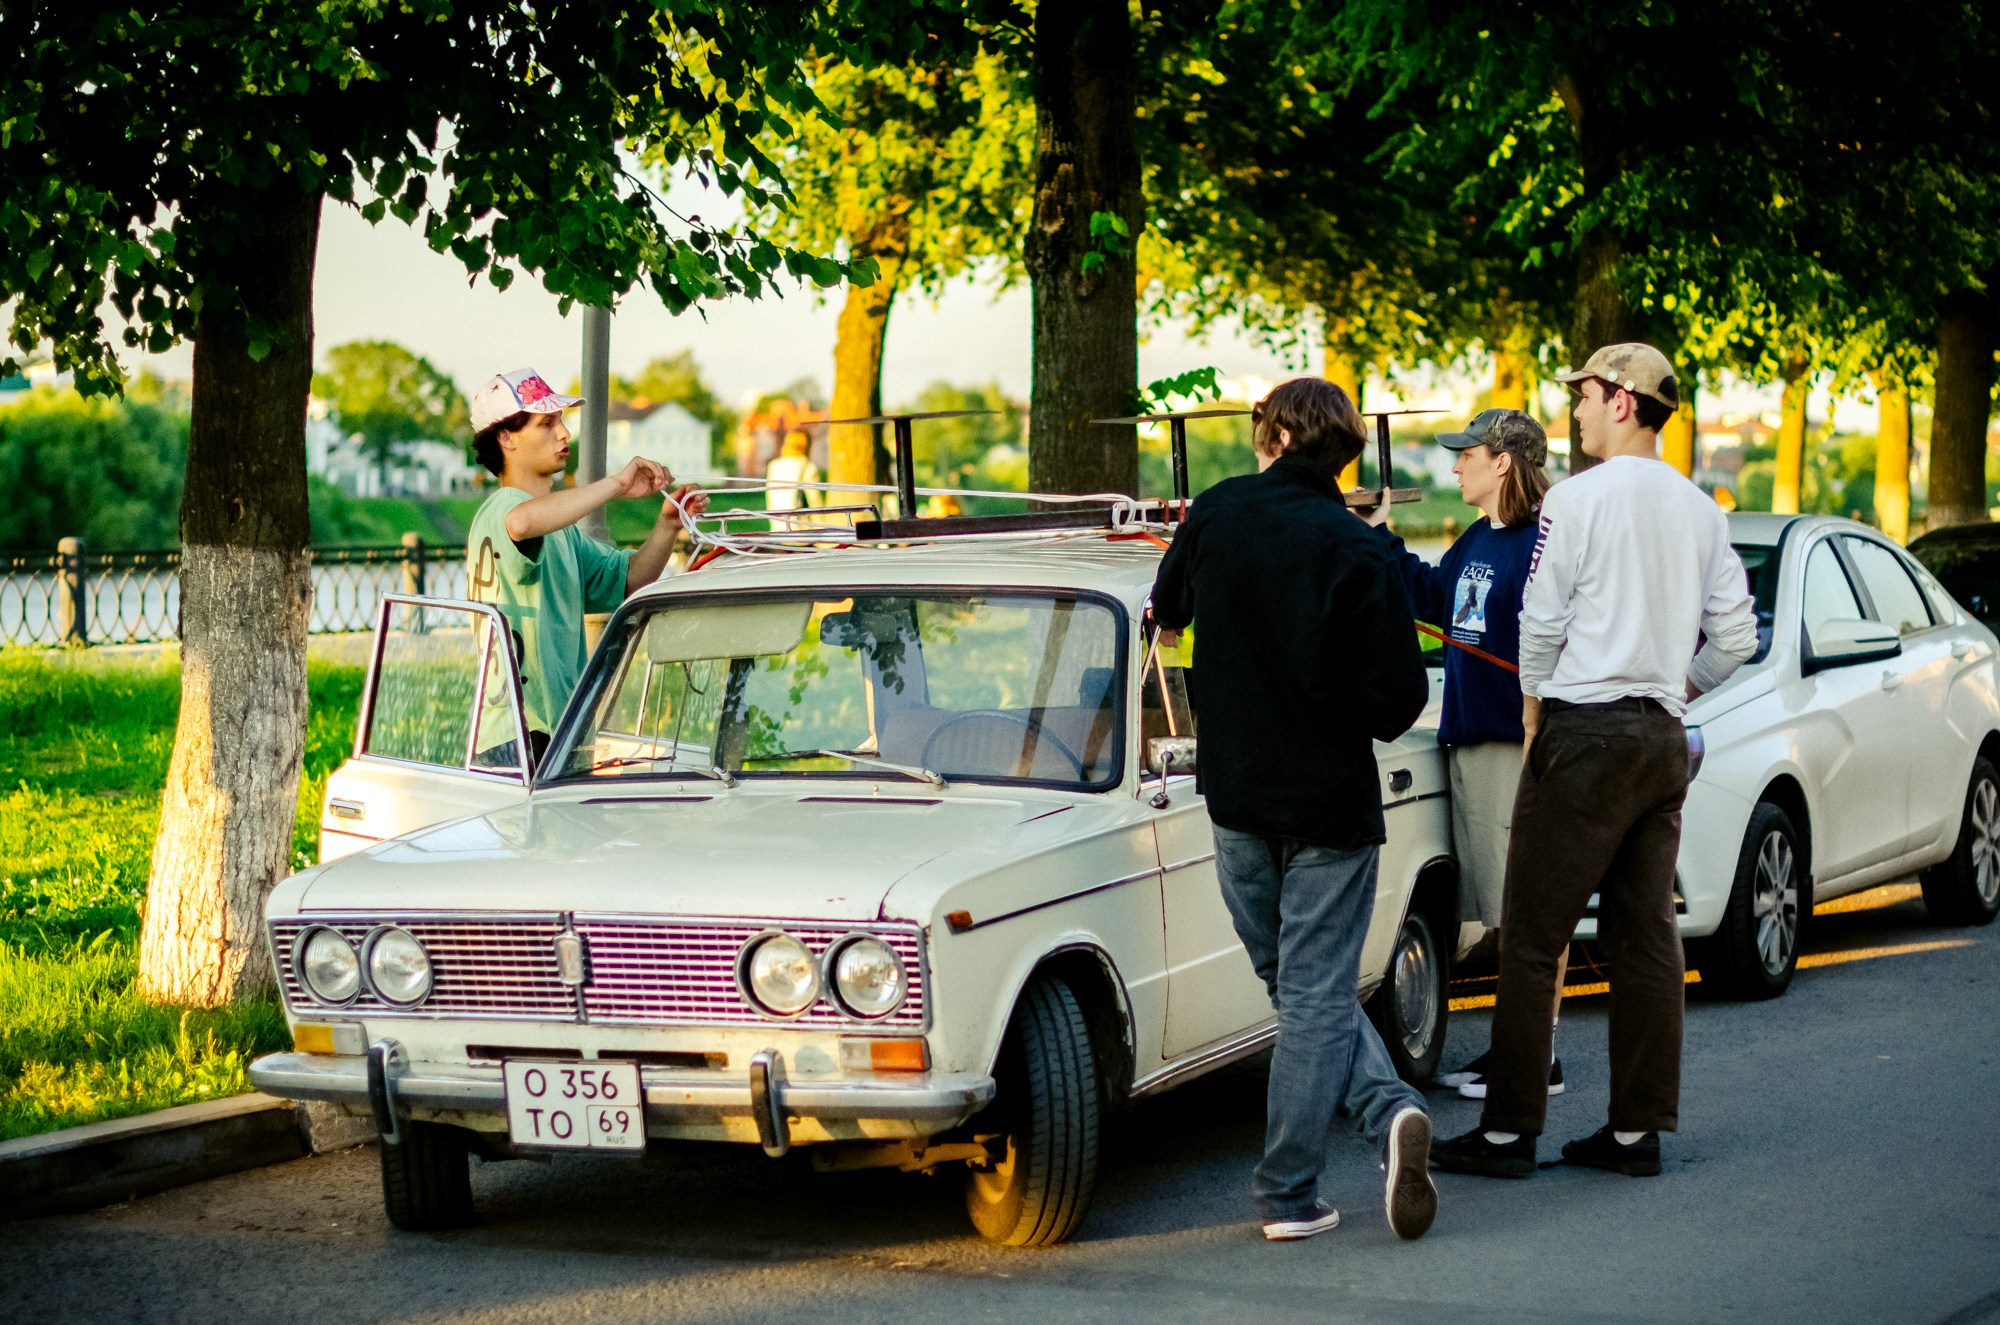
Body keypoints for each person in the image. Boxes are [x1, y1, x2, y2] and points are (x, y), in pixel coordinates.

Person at [1431, 344, 1757, 1180]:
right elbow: (1738, 640)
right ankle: (1634, 1131)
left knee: (1534, 935)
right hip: (1660, 736)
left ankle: (1506, 1132)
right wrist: (1677, 687)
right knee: (1645, 936)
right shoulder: (1702, 509)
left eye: (1582, 396)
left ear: (1621, 399)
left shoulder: (1575, 500)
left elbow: (1541, 619)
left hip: (1584, 727)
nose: (1573, 411)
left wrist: (1536, 708)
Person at [1151, 377, 1438, 1243]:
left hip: (1236, 794)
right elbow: (1397, 703)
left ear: (1273, 433)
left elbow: (1167, 612)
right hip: (1331, 802)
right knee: (1310, 987)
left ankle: (1306, 1175)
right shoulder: (1357, 548)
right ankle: (1355, 1137)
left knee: (1294, 983)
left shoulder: (1218, 511)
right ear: (1341, 453)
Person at [1358, 409, 1570, 1101]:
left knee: (1528, 909)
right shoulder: (1479, 536)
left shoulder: (1544, 542)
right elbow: (1435, 600)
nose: (1455, 466)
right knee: (1503, 911)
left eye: (1466, 454)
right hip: (1471, 741)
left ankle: (1536, 1058)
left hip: (1516, 746)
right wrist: (1380, 539)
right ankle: (1518, 1048)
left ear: (1503, 461)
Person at [465, 367, 708, 762]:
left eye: (560, 421)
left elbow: (629, 581)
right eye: (546, 424)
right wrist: (615, 485)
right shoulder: (501, 508)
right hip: (521, 732)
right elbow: (522, 522)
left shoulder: (563, 532)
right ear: (505, 437)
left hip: (561, 730)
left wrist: (667, 525)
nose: (564, 433)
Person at [764, 428, 824, 514]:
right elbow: (814, 501)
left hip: (778, 521)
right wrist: (821, 522)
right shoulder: (808, 467)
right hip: (801, 524)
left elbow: (770, 499)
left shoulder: (774, 466)